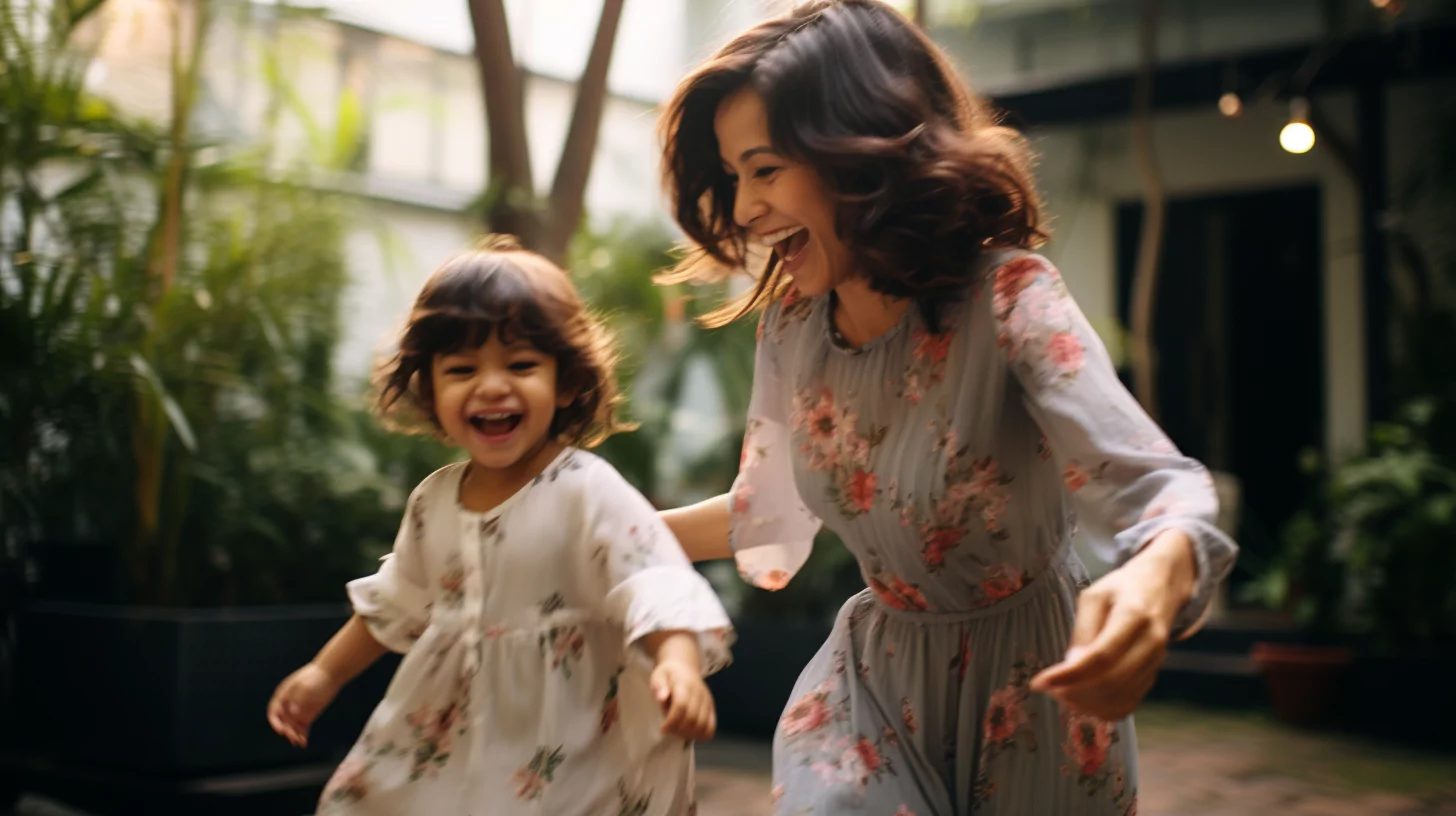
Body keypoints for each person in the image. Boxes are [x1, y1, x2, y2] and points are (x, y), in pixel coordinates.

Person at [654, 2, 1237, 813]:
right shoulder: (792, 323)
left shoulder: (1007, 296)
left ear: (855, 150)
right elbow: (768, 513)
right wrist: (600, 538)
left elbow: (1156, 483)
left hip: (1038, 690)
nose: (746, 207)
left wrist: (1156, 578)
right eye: (734, 176)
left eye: (765, 168)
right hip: (872, 687)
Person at [266, 239, 733, 815]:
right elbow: (396, 600)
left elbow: (652, 578)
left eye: (520, 366)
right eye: (462, 369)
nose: (490, 385)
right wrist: (324, 673)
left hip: (573, 738)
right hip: (454, 734)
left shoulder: (588, 488)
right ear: (431, 392)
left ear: (565, 384)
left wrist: (677, 664)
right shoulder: (432, 500)